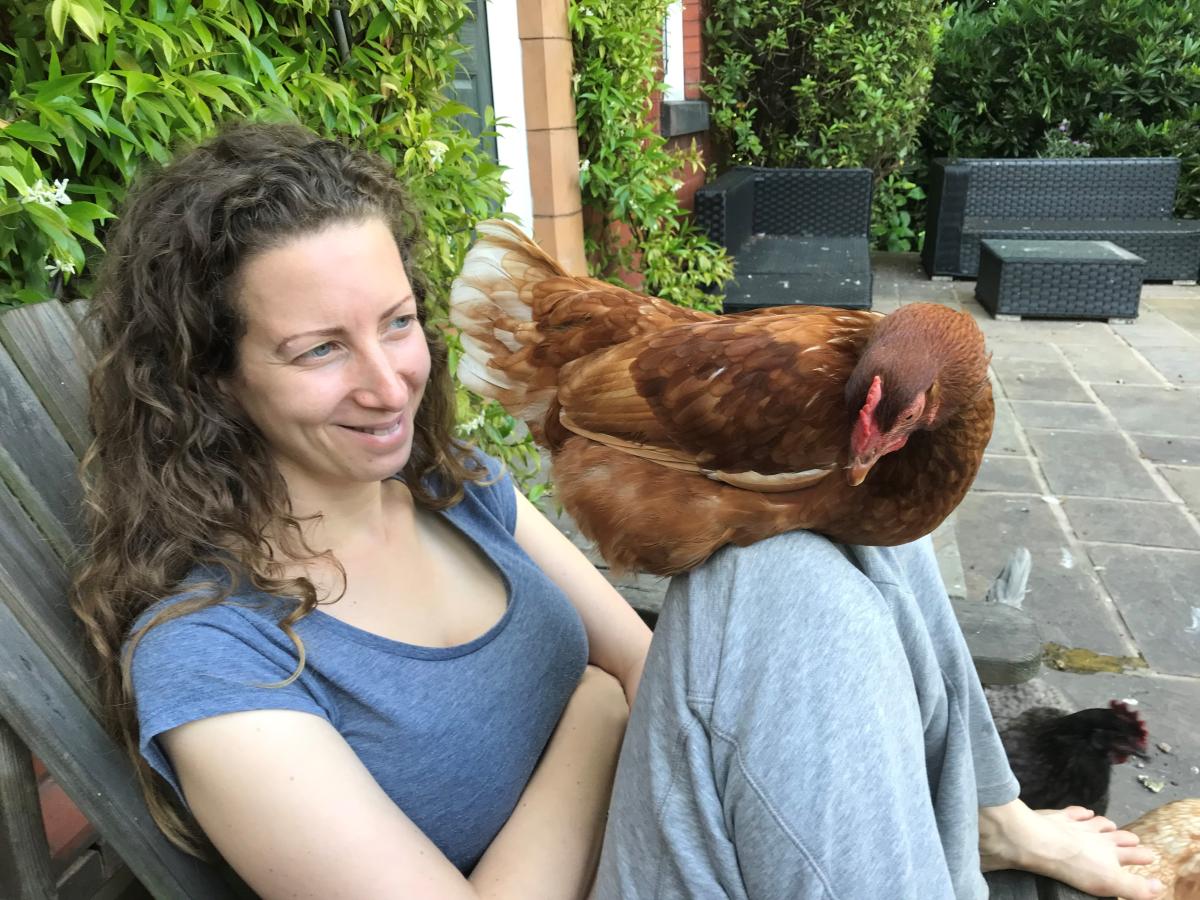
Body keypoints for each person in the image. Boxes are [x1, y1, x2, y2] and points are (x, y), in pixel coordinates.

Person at [70, 121, 1163, 900]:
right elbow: (621, 689)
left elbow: (647, 672)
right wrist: (593, 721)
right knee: (774, 568)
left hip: (693, 834)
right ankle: (967, 828)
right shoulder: (214, 661)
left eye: (397, 323)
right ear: (209, 377)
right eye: (319, 349)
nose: (388, 380)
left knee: (857, 498)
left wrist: (625, 696)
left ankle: (988, 817)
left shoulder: (463, 498)